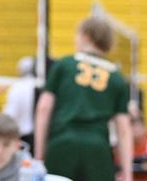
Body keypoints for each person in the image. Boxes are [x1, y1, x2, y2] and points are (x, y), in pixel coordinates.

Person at [34, 16, 132, 181]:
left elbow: (43, 108)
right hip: (97, 148)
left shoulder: (64, 64)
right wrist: (128, 173)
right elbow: (123, 128)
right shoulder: (117, 77)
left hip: (63, 142)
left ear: (86, 35)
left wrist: (38, 155)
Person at [2, 57, 38, 154]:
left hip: (21, 135)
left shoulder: (17, 87)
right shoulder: (40, 85)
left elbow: (10, 115)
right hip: (39, 136)